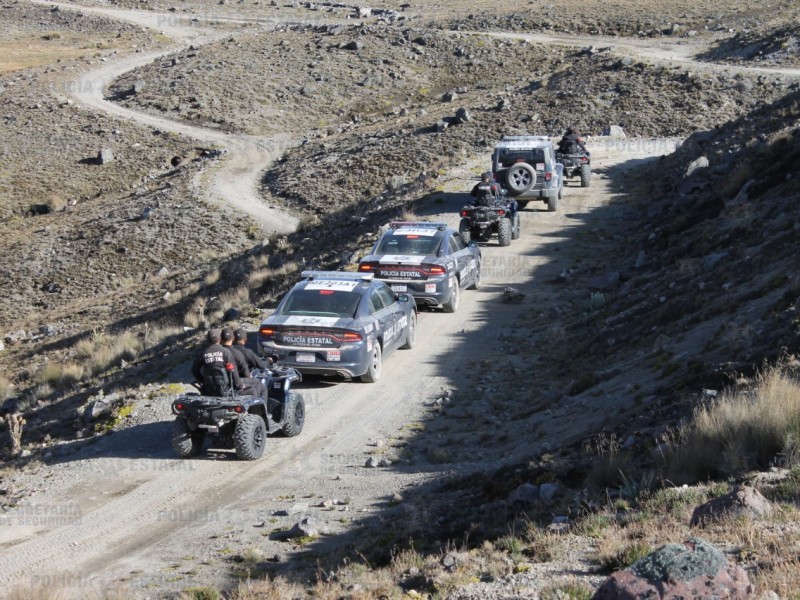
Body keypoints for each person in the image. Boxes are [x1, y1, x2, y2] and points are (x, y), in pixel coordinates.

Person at [191, 328, 243, 395]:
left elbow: (194, 370)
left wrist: (202, 380)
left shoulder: (202, 353)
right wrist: (239, 386)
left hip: (208, 389)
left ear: (208, 340)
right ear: (220, 339)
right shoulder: (225, 352)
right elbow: (233, 371)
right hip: (225, 389)